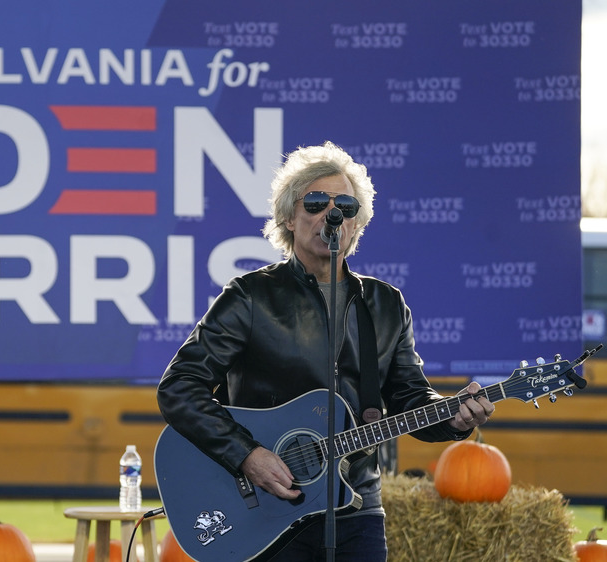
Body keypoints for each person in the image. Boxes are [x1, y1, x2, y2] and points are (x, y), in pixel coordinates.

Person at [156, 141, 494, 561]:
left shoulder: (385, 305)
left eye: (345, 206)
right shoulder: (249, 297)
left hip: (356, 506)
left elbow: (411, 399)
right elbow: (179, 388)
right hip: (266, 509)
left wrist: (456, 418)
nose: (331, 214)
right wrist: (247, 455)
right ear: (288, 217)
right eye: (316, 201)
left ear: (357, 223)